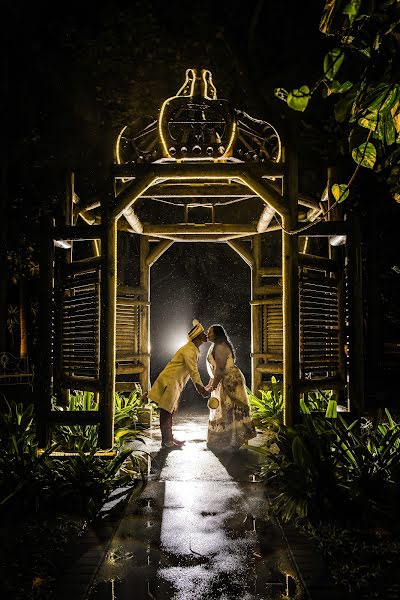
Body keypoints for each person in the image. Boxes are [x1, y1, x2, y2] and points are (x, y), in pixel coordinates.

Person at [149, 319, 209, 449]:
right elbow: (194, 371)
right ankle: (166, 441)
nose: (206, 335)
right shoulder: (189, 350)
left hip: (175, 382)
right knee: (166, 411)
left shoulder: (193, 349)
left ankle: (169, 438)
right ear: (197, 336)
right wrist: (201, 389)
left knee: (170, 411)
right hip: (170, 381)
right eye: (203, 333)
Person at [205, 324, 256, 451]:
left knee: (229, 409)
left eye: (210, 332)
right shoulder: (216, 346)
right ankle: (228, 440)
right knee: (225, 409)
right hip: (223, 379)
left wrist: (214, 386)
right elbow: (215, 369)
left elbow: (220, 369)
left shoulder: (221, 347)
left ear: (216, 334)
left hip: (230, 381)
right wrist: (211, 383)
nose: (207, 334)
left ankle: (231, 441)